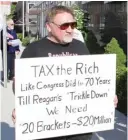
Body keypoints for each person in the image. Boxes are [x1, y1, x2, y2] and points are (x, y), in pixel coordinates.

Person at [11, 5, 118, 140]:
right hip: (47, 129)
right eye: (64, 26)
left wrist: (106, 96)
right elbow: (22, 88)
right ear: (49, 27)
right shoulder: (33, 50)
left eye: (73, 25)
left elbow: (91, 82)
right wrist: (21, 106)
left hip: (80, 129)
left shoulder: (81, 47)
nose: (70, 30)